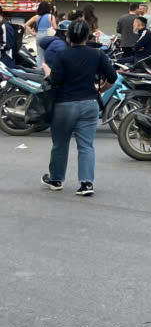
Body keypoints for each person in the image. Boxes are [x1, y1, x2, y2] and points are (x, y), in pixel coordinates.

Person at [42, 20, 116, 196]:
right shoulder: (97, 54)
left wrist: (46, 72)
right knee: (86, 145)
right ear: (87, 36)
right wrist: (100, 90)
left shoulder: (61, 55)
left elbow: (55, 80)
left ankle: (56, 179)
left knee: (60, 144)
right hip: (89, 104)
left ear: (68, 36)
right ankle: (86, 184)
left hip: (64, 104)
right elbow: (112, 77)